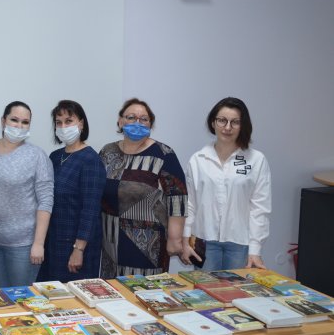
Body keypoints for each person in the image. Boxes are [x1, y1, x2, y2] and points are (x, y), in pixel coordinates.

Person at [100, 98, 188, 278]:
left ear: (150, 124)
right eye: (131, 117)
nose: (137, 123)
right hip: (109, 240)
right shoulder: (107, 152)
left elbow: (178, 197)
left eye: (144, 119)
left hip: (148, 246)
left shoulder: (163, 154)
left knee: (145, 291)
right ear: (120, 121)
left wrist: (175, 237)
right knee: (112, 290)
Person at [182, 97, 271, 270]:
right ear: (213, 123)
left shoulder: (256, 160)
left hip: (240, 243)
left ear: (243, 125)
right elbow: (189, 204)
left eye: (235, 122)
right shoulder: (198, 160)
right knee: (204, 288)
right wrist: (186, 241)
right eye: (222, 120)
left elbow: (260, 208)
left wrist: (255, 249)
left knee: (238, 287)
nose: (228, 127)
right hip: (204, 240)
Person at [0, 101, 54, 288]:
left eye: (25, 122)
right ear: (3, 121)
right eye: (14, 120)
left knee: (21, 298)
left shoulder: (37, 155)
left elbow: (45, 200)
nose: (19, 126)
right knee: (1, 295)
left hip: (23, 245)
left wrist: (38, 244)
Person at [36, 100, 105, 283]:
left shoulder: (90, 160)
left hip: (77, 246)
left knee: (74, 295)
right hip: (53, 241)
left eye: (69, 121)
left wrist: (79, 249)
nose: (63, 127)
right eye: (59, 123)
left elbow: (90, 209)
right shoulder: (55, 156)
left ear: (81, 124)